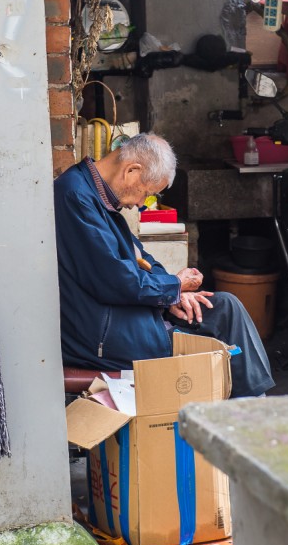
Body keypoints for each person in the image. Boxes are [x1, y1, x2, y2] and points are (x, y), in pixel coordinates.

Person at [54, 133, 275, 398]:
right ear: (132, 171)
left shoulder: (98, 197)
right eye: (146, 193)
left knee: (226, 307)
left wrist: (174, 294)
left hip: (126, 313)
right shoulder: (75, 197)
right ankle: (255, 413)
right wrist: (174, 286)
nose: (139, 204)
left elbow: (143, 258)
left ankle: (256, 406)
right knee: (211, 342)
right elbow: (114, 280)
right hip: (103, 336)